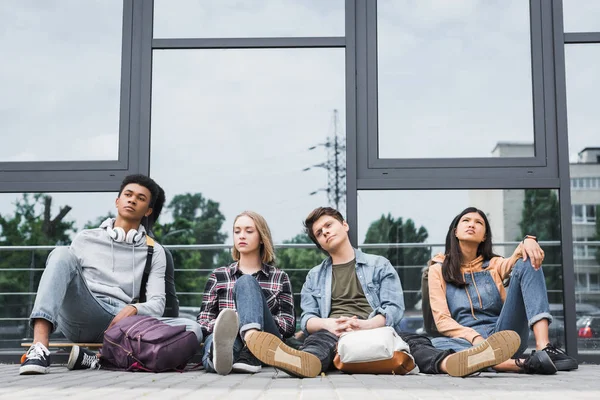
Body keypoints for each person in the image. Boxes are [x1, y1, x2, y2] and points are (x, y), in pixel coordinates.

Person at [243, 207, 529, 378]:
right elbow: (305, 319)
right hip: (333, 332)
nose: (325, 233)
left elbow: (393, 310)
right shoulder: (315, 275)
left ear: (344, 225)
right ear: (319, 242)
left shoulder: (379, 265)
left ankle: (452, 363)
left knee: (416, 342)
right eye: (319, 233)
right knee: (317, 343)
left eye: (328, 225)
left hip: (374, 329)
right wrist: (329, 323)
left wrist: (366, 324)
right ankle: (303, 363)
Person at [19, 174, 203, 375]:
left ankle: (98, 360)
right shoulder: (86, 238)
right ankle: (39, 348)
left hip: (122, 323)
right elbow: (63, 274)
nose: (132, 200)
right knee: (61, 253)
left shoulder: (155, 251)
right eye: (128, 195)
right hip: (85, 311)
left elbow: (157, 304)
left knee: (192, 329)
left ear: (148, 210)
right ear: (118, 201)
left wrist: (133, 308)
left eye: (141, 198)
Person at [427, 206, 578, 373]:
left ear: (484, 236)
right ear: (455, 231)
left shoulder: (494, 264)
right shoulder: (438, 269)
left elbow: (517, 260)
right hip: (467, 340)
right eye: (466, 221)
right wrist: (476, 338)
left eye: (478, 222)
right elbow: (442, 320)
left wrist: (528, 240)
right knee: (432, 345)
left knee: (527, 261)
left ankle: (544, 348)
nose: (472, 225)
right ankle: (521, 364)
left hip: (505, 337)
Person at [197, 211, 295, 375]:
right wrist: (230, 324)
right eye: (237, 231)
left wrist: (251, 319)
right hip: (229, 338)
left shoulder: (280, 277)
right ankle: (221, 359)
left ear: (262, 237)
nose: (241, 236)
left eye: (249, 231)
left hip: (266, 340)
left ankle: (252, 343)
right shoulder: (218, 276)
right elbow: (203, 320)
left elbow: (288, 324)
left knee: (246, 282)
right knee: (218, 346)